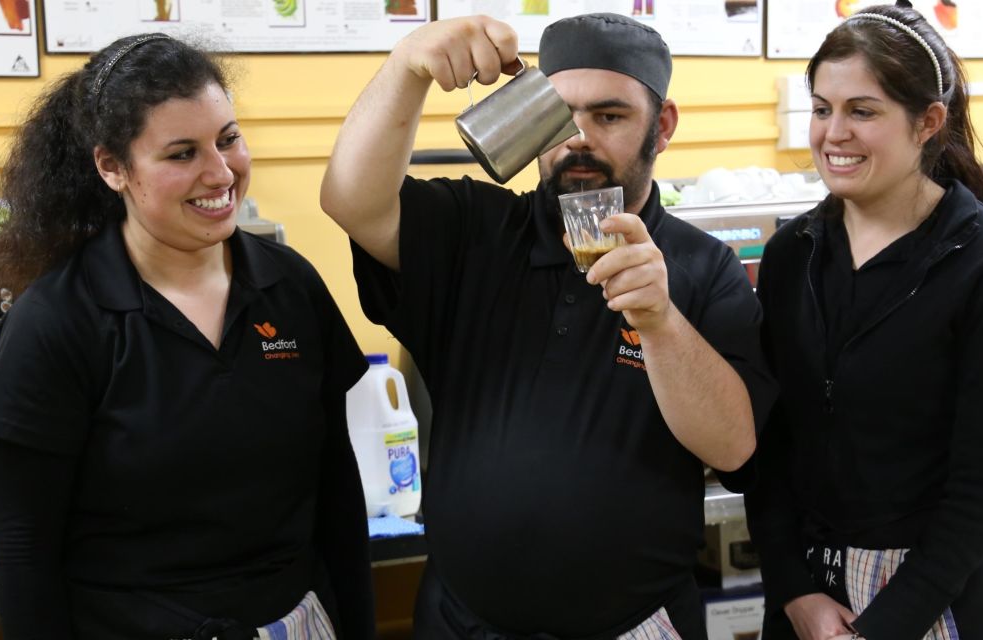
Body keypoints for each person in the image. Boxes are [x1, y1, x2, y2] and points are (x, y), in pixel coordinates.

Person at [321, 12, 776, 640]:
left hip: (635, 624)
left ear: (661, 127)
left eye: (610, 117)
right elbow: (350, 198)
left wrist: (660, 322)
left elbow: (734, 449)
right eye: (560, 115)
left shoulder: (702, 268)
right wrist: (406, 68)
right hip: (461, 622)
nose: (578, 138)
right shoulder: (473, 231)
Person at [0, 33, 375, 639]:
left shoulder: (290, 287)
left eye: (229, 138)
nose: (220, 173)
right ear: (112, 167)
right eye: (182, 153)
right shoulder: (59, 321)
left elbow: (337, 494)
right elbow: (25, 548)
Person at [744, 3, 983, 639]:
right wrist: (795, 592)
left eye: (863, 111)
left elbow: (981, 491)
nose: (833, 133)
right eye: (822, 108)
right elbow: (769, 447)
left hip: (933, 601)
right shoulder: (792, 253)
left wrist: (882, 628)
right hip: (808, 606)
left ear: (928, 121)